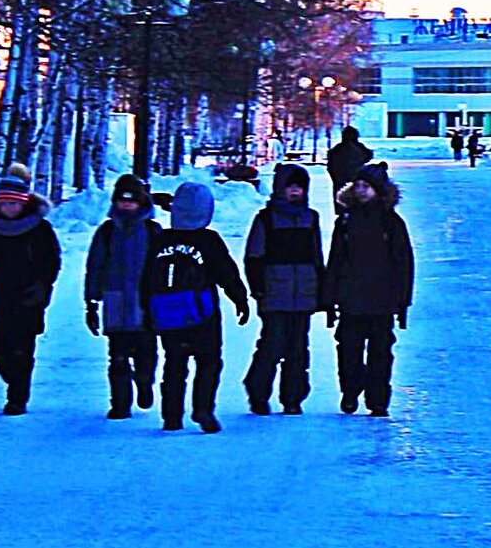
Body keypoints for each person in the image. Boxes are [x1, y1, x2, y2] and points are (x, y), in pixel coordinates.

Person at [142, 182, 250, 433]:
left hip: (167, 315)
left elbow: (146, 277)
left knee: (174, 363)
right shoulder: (208, 240)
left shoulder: (161, 240)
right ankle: (203, 409)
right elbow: (225, 272)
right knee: (208, 362)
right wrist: (240, 298)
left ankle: (171, 415)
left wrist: (146, 309)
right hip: (203, 315)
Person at [0, 164, 61, 416]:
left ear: (23, 204)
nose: (9, 209)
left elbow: (52, 260)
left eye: (13, 204)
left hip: (30, 295)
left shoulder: (39, 228)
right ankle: (12, 378)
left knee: (22, 345)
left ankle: (17, 395)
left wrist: (42, 286)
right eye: (4, 203)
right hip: (0, 292)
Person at [324, 161, 415, 418]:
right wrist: (329, 299)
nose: (362, 191)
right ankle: (351, 392)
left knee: (380, 353)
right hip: (351, 299)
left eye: (368, 186)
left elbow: (403, 263)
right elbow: (335, 260)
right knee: (348, 351)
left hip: (382, 301)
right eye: (359, 186)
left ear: (379, 191)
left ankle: (378, 400)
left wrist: (402, 300)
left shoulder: (391, 223)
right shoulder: (345, 222)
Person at [242, 163, 324, 416]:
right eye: (290, 187)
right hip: (275, 292)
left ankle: (293, 397)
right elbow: (254, 257)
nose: (295, 192)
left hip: (304, 293)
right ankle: (258, 392)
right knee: (272, 345)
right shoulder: (266, 219)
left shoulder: (311, 218)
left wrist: (321, 291)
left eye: (299, 188)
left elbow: (316, 256)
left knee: (298, 348)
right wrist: (258, 289)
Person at [84, 174, 162, 420]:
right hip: (115, 301)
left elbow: (163, 265)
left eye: (132, 201)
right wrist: (91, 300)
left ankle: (144, 382)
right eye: (122, 200)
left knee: (146, 353)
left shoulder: (152, 230)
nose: (126, 205)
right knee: (117, 355)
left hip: (145, 302)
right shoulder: (107, 232)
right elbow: (95, 266)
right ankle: (120, 403)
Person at [326, 126, 373, 212]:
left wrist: (334, 176)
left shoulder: (338, 148)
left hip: (340, 181)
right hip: (356, 180)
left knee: (342, 204)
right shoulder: (359, 147)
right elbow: (369, 156)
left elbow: (330, 163)